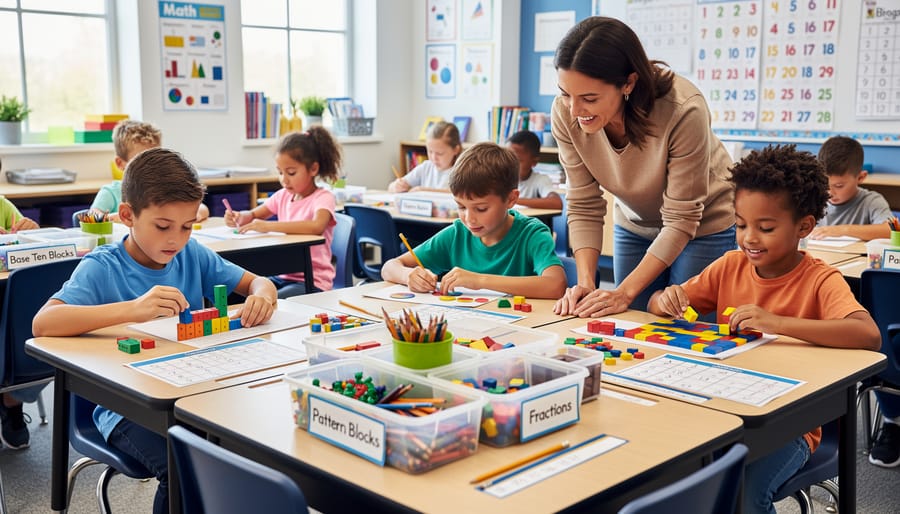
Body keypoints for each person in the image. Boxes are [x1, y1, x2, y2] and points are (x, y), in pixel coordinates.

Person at [33, 148, 278, 514]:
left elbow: (257, 282)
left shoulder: (192, 254)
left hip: (194, 393)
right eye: (163, 226)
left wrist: (264, 294)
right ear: (128, 215)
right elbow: (43, 323)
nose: (176, 240)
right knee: (181, 466)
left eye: (187, 226)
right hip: (123, 409)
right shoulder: (103, 267)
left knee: (248, 450)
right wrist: (133, 310)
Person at [647, 144, 881, 514]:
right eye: (740, 225)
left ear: (804, 225)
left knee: (744, 495)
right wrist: (666, 298)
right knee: (667, 474)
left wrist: (777, 323)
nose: (749, 238)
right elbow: (661, 304)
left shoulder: (820, 279)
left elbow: (867, 334)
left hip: (792, 426)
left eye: (765, 227)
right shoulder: (729, 265)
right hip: (722, 407)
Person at [551, 17, 736, 319]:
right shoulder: (566, 112)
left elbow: (681, 219)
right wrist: (586, 283)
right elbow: (583, 204)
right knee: (629, 323)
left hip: (704, 224)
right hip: (636, 222)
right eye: (565, 93)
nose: (574, 110)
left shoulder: (682, 108)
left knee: (683, 323)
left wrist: (623, 291)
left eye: (589, 98)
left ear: (628, 83)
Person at [382, 142, 567, 299]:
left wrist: (480, 281)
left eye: (481, 209)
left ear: (511, 199)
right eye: (461, 207)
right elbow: (389, 267)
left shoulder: (531, 234)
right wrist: (409, 276)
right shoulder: (457, 234)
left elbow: (556, 285)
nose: (469, 219)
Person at [224, 127, 342, 298]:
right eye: (280, 172)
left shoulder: (323, 198)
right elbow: (255, 214)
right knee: (238, 292)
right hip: (282, 276)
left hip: (312, 281)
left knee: (267, 301)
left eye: (291, 172)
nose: (284, 179)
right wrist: (241, 216)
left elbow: (316, 226)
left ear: (313, 169)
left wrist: (267, 226)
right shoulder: (283, 196)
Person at [92, 120, 210, 223]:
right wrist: (111, 218)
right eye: (139, 160)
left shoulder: (166, 189)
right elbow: (91, 215)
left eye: (155, 159)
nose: (149, 167)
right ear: (120, 163)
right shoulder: (111, 192)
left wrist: (193, 216)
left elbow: (202, 208)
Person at [810, 135, 892, 241]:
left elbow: (890, 230)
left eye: (839, 186)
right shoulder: (814, 199)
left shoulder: (871, 201)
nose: (829, 192)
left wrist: (843, 230)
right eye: (825, 184)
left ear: (861, 177)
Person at [388, 121, 462, 193]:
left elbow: (457, 194)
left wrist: (423, 191)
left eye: (439, 153)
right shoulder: (426, 167)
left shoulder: (461, 172)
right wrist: (396, 186)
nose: (433, 157)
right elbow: (391, 188)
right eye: (430, 151)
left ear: (456, 150)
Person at [506, 130, 563, 210]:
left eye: (517, 160)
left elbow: (556, 203)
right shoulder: (500, 180)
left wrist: (513, 200)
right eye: (507, 159)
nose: (510, 164)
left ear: (534, 162)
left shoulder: (540, 180)